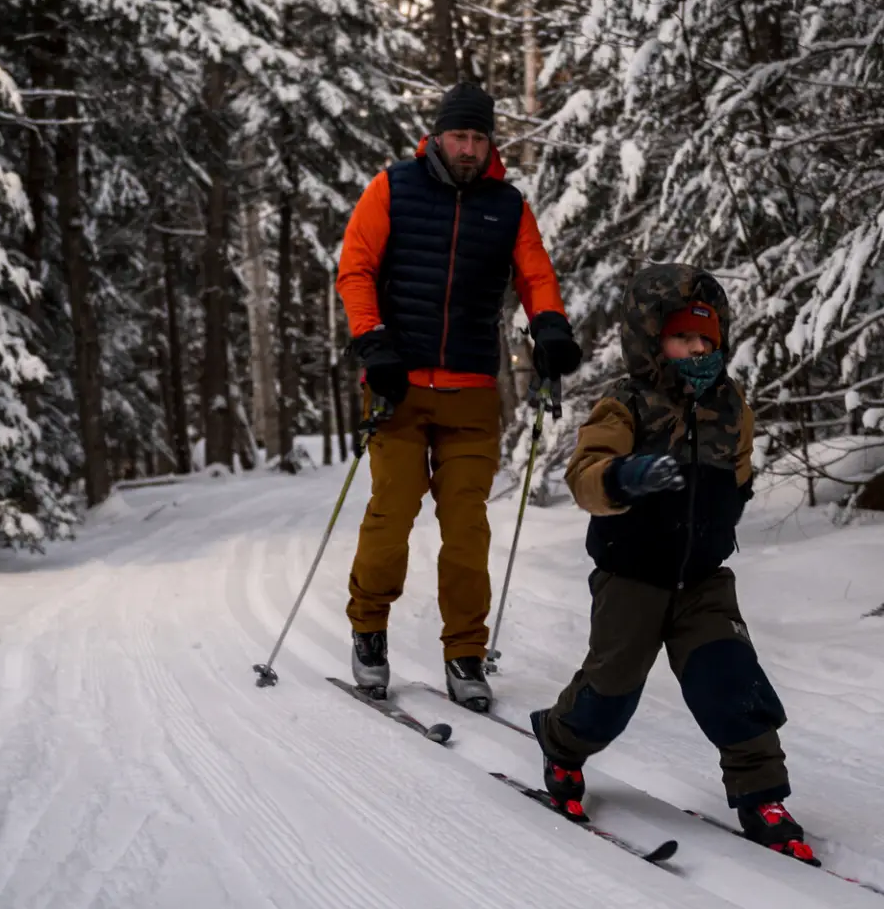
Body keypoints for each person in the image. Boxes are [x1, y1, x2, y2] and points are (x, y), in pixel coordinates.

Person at [527, 262, 814, 862]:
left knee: (730, 679)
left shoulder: (731, 403)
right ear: (650, 336)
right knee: (611, 690)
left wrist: (729, 501)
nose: (696, 349)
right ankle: (560, 742)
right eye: (683, 337)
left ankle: (762, 794)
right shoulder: (625, 403)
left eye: (707, 339)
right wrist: (624, 477)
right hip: (632, 575)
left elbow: (738, 467)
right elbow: (584, 477)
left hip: (703, 578)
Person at [335, 81, 581, 711]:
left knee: (467, 529)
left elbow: (536, 276)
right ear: (438, 134)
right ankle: (369, 630)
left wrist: (551, 326)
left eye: (479, 138)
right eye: (459, 135)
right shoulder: (391, 188)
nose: (469, 148)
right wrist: (373, 342)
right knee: (391, 514)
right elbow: (355, 268)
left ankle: (465, 651)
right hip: (399, 388)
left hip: (472, 394)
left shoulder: (508, 206)